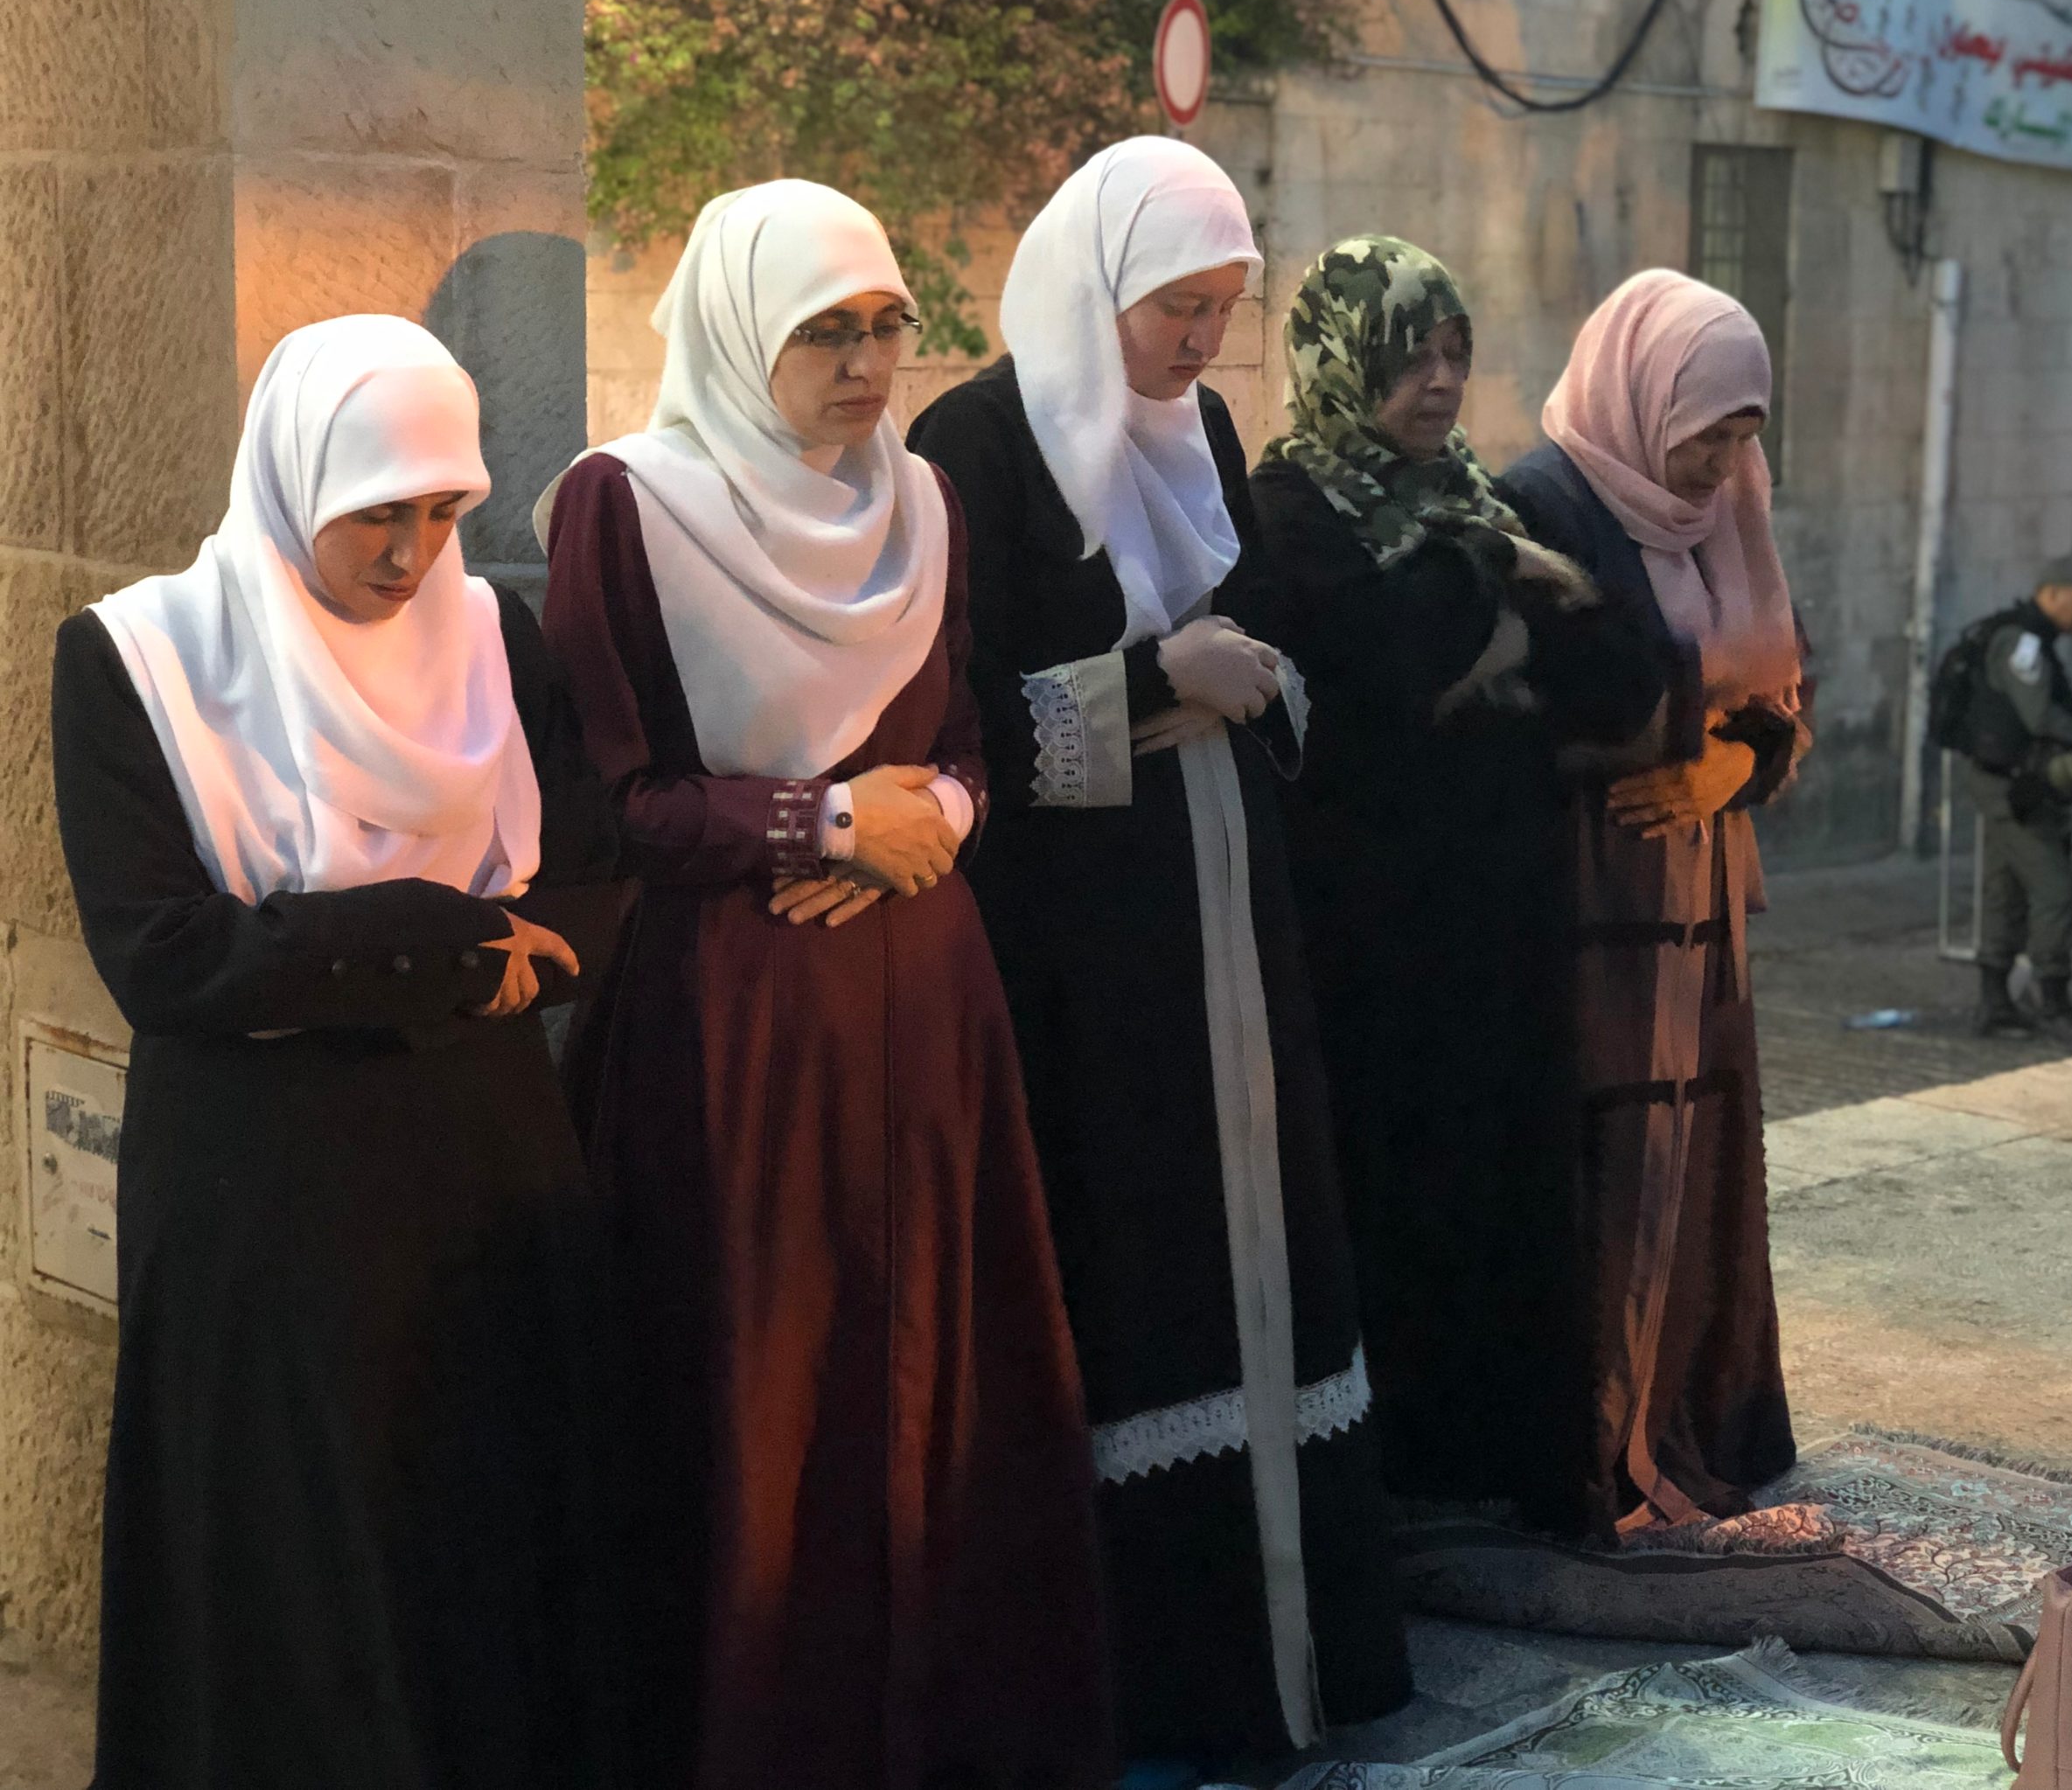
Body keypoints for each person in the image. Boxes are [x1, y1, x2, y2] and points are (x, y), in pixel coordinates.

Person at [536, 181, 1108, 1789]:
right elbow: (617, 800)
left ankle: (942, 1725)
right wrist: (826, 817)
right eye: (824, 335)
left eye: (885, 329)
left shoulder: (922, 503)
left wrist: (936, 825)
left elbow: (971, 748)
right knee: (763, 1378)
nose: (865, 366)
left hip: (926, 995)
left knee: (937, 1355)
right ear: (737, 334)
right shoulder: (627, 504)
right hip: (742, 1013)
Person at [53, 316, 625, 1790]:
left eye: (444, 514)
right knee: (293, 1564)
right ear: (296, 479)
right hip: (267, 1183)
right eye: (378, 513)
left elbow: (594, 883)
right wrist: (448, 946)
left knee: (478, 1539)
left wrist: (343, 944)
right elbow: (167, 959)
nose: (413, 556)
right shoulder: (141, 658)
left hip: (482, 1164)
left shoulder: (498, 640)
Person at [904, 140, 1409, 1768]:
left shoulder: (1202, 431)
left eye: (1221, 309)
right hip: (1084, 951)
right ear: (1094, 285)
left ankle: (1298, 1660)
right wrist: (1147, 685)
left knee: (1262, 1232)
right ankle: (1161, 1673)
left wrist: (1235, 668)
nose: (1199, 342)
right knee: (1131, 1251)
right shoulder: (972, 445)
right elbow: (958, 721)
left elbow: (1254, 631)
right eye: (1173, 306)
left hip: (1226, 912)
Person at [1245, 236, 1664, 1540]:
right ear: (1335, 359)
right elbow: (1380, 668)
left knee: (1509, 1185)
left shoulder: (1477, 498)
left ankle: (1503, 1464)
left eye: (1452, 353)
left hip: (1503, 916)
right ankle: (1402, 1480)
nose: (1434, 383)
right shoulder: (1287, 510)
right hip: (1369, 932)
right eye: (1403, 353)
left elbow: (1627, 667)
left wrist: (1501, 620)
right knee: (1395, 1189)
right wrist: (1502, 605)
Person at [1496, 269, 1802, 1532]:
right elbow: (1541, 705)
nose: (1721, 463)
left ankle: (1689, 1419)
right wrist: (1678, 741)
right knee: (1612, 1175)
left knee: (1702, 1172)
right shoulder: (1538, 507)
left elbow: (1782, 690)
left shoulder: (1732, 515)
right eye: (1705, 431)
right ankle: (1596, 1447)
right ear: (1642, 392)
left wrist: (1734, 763)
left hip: (1704, 907)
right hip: (1597, 905)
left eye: (1743, 436)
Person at [1951, 557, 2072, 1040]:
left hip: (2009, 781)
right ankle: (2053, 1001)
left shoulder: (2029, 640)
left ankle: (1995, 1002)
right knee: (2054, 889)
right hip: (2013, 785)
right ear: (2052, 594)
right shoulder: (2023, 641)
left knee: (2004, 890)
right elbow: (2039, 714)